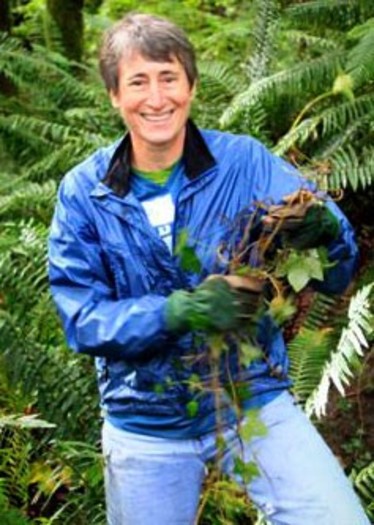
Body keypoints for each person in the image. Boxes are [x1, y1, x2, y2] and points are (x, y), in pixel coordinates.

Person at [48, 12, 370, 525]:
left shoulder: (244, 163)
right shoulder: (85, 193)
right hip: (145, 423)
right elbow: (82, 320)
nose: (156, 98)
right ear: (115, 95)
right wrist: (180, 311)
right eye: (138, 81)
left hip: (251, 402)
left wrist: (327, 236)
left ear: (191, 86)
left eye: (169, 77)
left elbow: (336, 272)